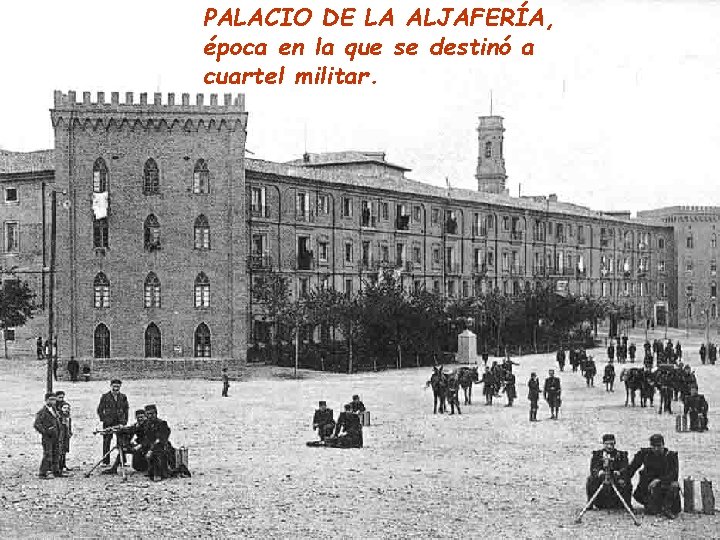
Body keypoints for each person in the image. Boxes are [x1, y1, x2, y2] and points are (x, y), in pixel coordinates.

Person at [627, 434, 681, 519]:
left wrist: (659, 480)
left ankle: (667, 508)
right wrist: (621, 477)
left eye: (659, 446)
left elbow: (674, 474)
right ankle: (656, 507)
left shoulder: (671, 456)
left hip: (665, 490)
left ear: (663, 444)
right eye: (653, 446)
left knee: (674, 485)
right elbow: (631, 468)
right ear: (650, 446)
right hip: (649, 491)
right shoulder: (644, 454)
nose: (656, 449)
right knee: (652, 511)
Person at [586, 434, 631, 509]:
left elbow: (625, 468)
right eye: (607, 444)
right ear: (603, 444)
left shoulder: (622, 455)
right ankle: (590, 503)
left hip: (616, 483)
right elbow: (593, 468)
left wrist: (619, 473)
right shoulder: (597, 455)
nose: (609, 446)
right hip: (602, 484)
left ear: (614, 444)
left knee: (625, 481)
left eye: (612, 444)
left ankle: (626, 505)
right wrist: (599, 472)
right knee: (591, 479)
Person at [104, 409, 150, 474]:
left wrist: (139, 445)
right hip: (141, 446)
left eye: (142, 417)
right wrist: (119, 428)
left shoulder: (149, 425)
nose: (140, 419)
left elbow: (150, 439)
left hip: (148, 446)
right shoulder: (137, 425)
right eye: (138, 417)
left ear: (145, 417)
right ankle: (114, 468)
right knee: (122, 450)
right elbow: (129, 430)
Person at [96, 379, 129, 465]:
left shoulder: (123, 397)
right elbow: (99, 410)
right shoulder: (105, 396)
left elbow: (126, 410)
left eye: (118, 387)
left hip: (119, 423)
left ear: (120, 387)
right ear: (111, 386)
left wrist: (124, 421)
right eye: (114, 386)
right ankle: (106, 462)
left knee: (121, 442)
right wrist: (104, 419)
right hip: (108, 423)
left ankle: (122, 461)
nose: (116, 388)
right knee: (106, 441)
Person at [33, 392, 63, 478]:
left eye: (54, 399)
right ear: (46, 400)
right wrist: (45, 432)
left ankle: (56, 472)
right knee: (48, 454)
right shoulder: (42, 412)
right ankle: (42, 473)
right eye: (51, 399)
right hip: (48, 438)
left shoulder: (55, 410)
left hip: (56, 436)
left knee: (56, 453)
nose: (53, 401)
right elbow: (37, 424)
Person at [141, 404, 175, 481]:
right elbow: (136, 429)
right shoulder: (146, 424)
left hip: (162, 447)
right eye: (148, 414)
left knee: (157, 453)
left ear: (156, 413)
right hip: (150, 446)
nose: (150, 416)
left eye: (152, 414)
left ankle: (158, 474)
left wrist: (151, 450)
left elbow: (160, 439)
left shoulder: (162, 423)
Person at [58, 402, 73, 473]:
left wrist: (70, 432)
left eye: (67, 408)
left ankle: (63, 465)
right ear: (61, 409)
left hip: (66, 436)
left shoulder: (68, 417)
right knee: (60, 451)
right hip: (60, 437)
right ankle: (59, 467)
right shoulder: (59, 417)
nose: (66, 410)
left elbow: (69, 426)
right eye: (64, 408)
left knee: (64, 451)